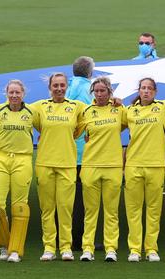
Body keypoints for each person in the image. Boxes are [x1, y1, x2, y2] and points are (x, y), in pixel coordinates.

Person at [31, 73, 85, 261]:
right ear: (50, 87)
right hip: (45, 163)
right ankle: (49, 247)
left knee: (65, 207)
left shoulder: (76, 106)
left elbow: (85, 122)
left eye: (62, 85)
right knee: (47, 209)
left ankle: (65, 248)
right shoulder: (40, 106)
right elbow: (31, 120)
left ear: (67, 87)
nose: (59, 89)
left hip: (68, 164)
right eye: (56, 85)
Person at [122, 77, 165, 262]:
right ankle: (135, 250)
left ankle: (151, 249)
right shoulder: (129, 110)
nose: (146, 91)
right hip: (133, 165)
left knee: (154, 210)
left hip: (156, 165)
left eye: (149, 88)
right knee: (134, 210)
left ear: (155, 91)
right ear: (138, 90)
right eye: (143, 88)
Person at [0, 80, 36, 263]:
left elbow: (46, 127)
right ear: (6, 93)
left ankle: (15, 250)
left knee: (19, 206)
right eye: (11, 92)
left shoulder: (32, 111)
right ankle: (5, 245)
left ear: (23, 93)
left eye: (17, 92)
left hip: (22, 159)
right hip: (1, 158)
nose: (14, 95)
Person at [76, 77, 126, 262]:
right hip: (90, 166)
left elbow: (137, 120)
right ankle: (87, 248)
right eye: (96, 91)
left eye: (102, 91)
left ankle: (110, 248)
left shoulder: (119, 109)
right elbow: (73, 131)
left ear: (110, 92)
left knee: (111, 211)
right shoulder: (86, 111)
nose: (99, 94)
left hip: (112, 166)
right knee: (91, 211)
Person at [65, 56, 94, 252]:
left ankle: (65, 237)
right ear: (90, 71)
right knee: (82, 200)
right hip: (83, 152)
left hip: (66, 150)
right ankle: (79, 239)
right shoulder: (87, 91)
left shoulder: (68, 87)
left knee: (66, 197)